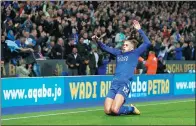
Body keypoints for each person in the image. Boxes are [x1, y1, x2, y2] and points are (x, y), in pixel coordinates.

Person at [92, 20, 151, 116]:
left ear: (132, 48)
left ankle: (131, 108)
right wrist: (98, 41)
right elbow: (105, 48)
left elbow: (147, 43)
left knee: (115, 110)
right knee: (108, 111)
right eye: (123, 45)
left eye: (126, 45)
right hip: (114, 84)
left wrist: (139, 30)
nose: (124, 46)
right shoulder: (118, 53)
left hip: (124, 84)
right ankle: (121, 106)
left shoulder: (135, 53)